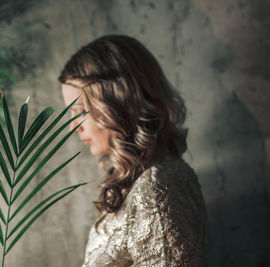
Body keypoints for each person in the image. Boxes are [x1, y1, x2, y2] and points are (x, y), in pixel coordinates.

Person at [59, 35, 207, 266]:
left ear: (117, 101)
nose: (73, 126)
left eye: (79, 110)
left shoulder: (155, 186)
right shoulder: (138, 181)